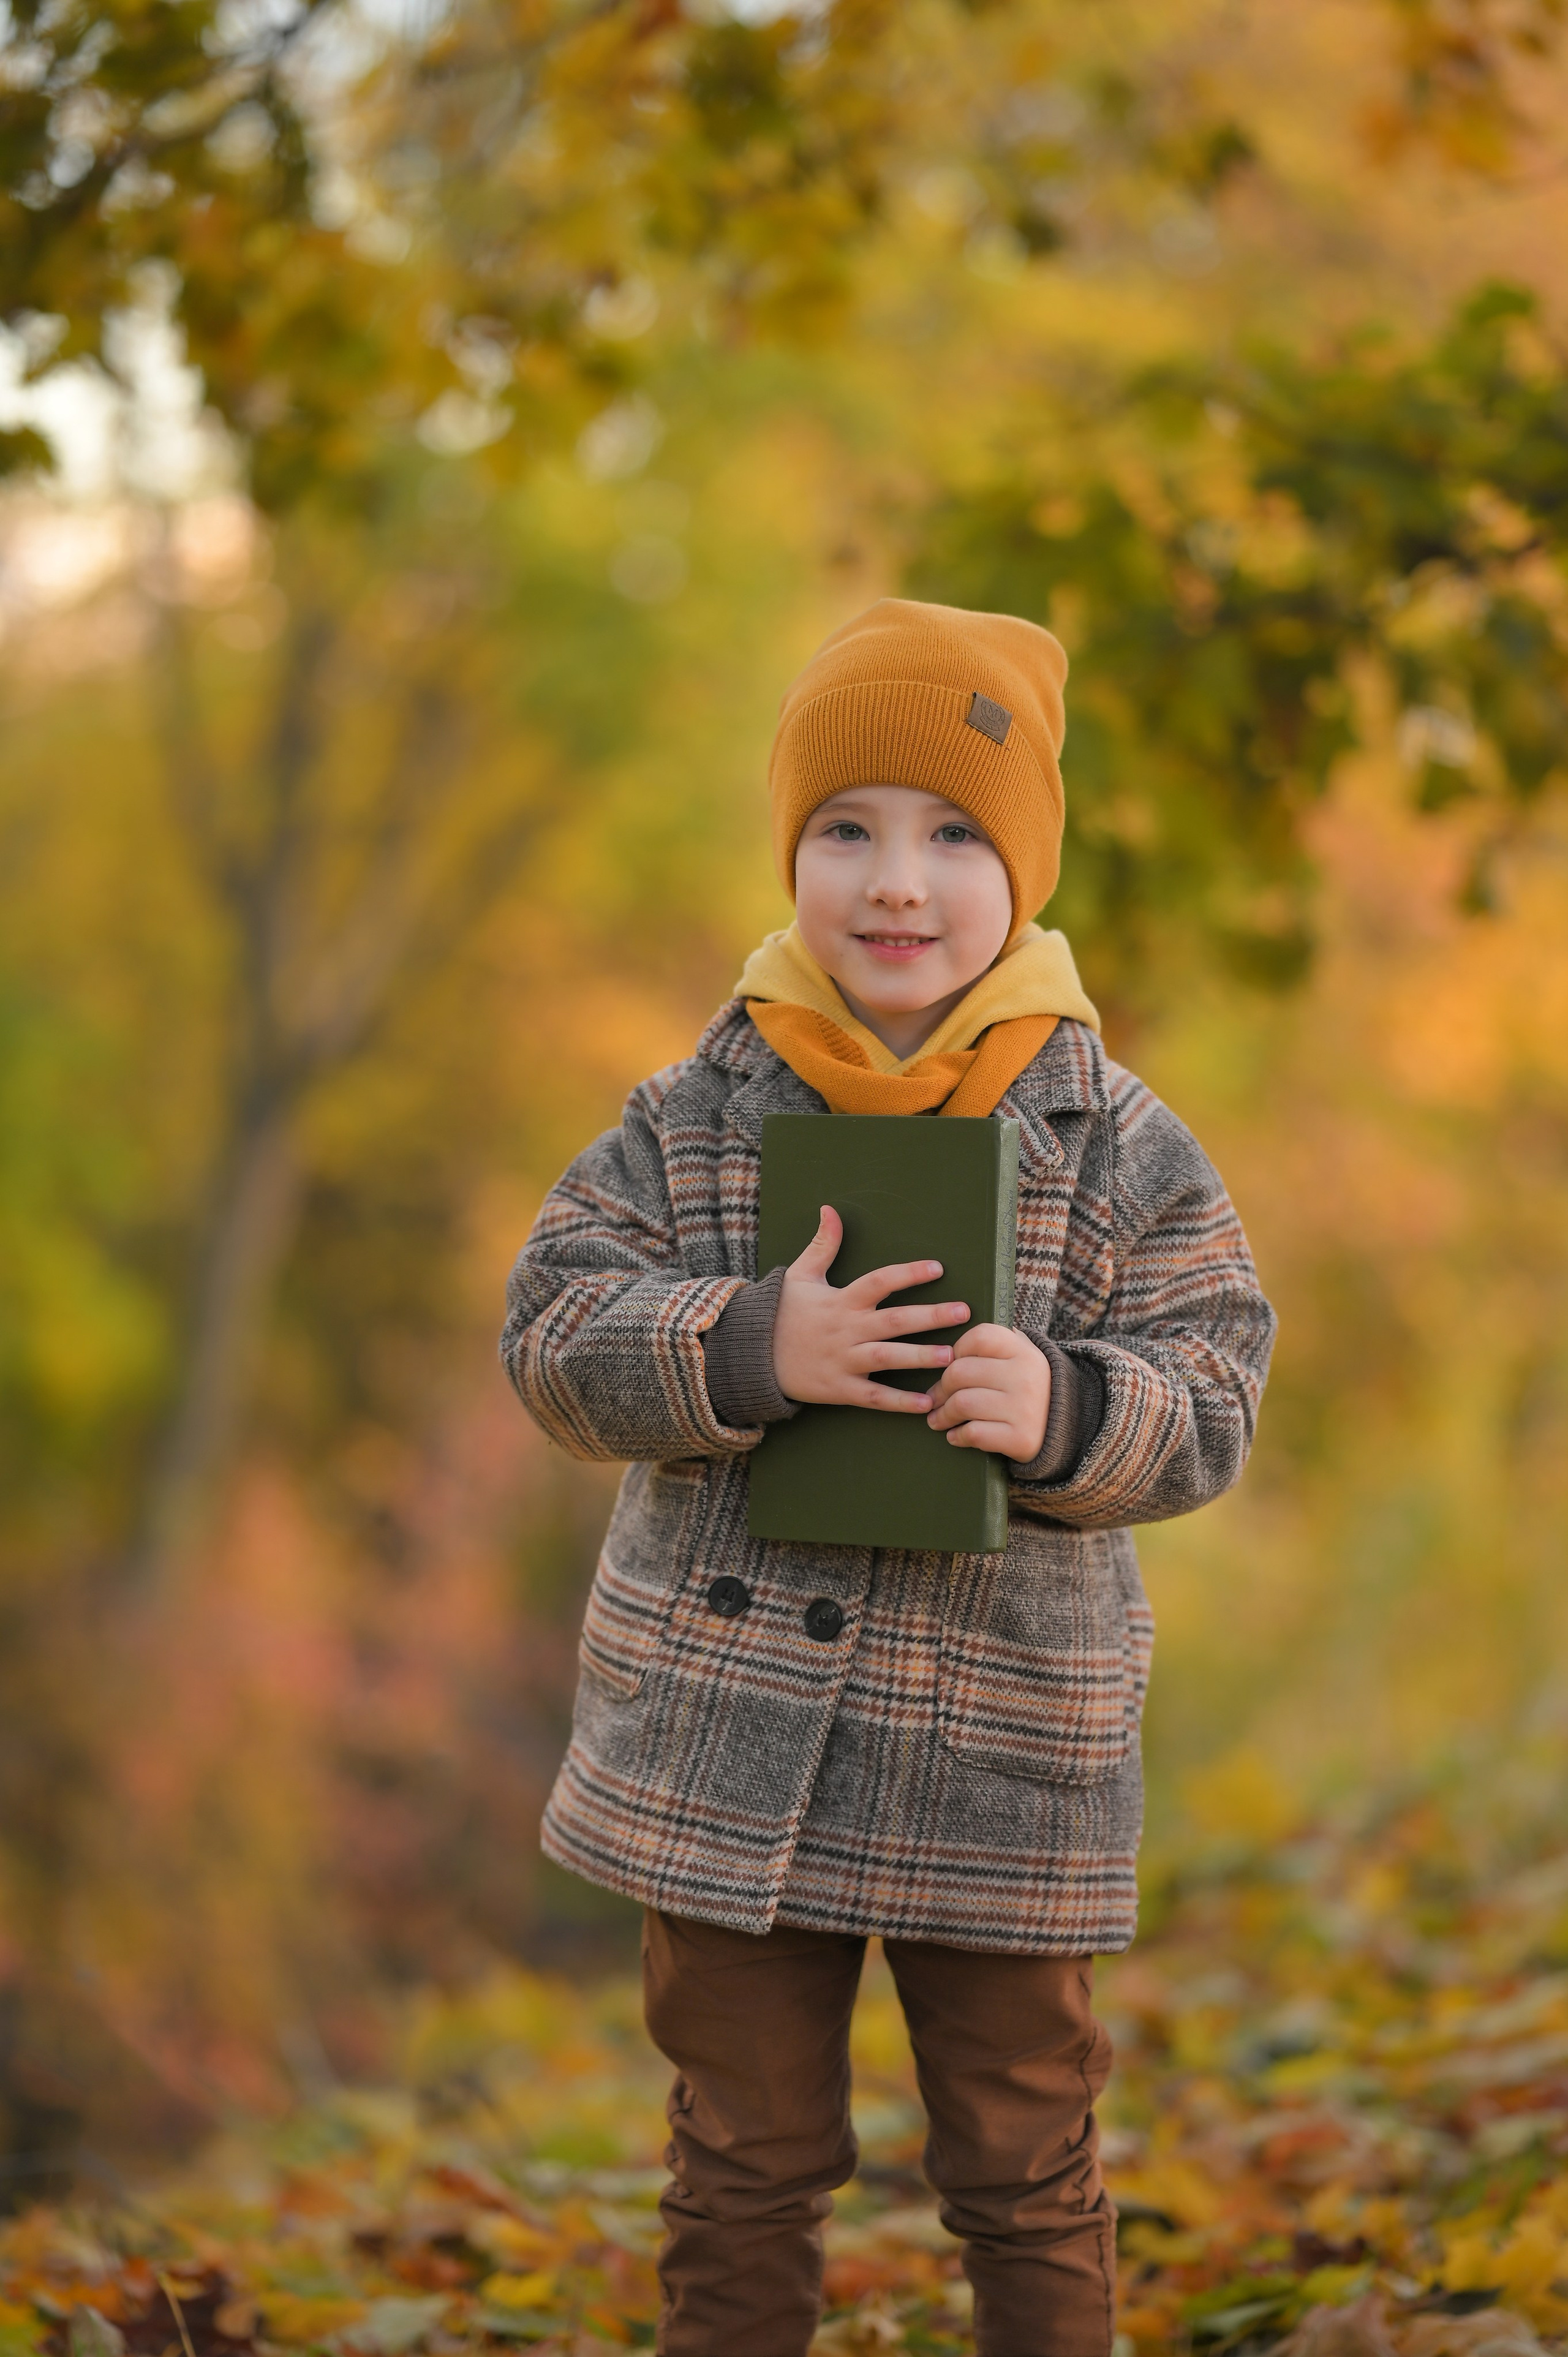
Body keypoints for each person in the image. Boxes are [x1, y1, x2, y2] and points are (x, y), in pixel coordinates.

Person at [500, 598, 1276, 2357]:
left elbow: (1217, 1379)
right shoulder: (690, 1113)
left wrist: (1070, 1406)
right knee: (742, 2158)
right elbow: (552, 1330)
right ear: (792, 858)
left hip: (1002, 1744)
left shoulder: (1119, 1138)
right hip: (726, 1736)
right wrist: (744, 1347)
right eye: (845, 831)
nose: (896, 883)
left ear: (1023, 871)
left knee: (1023, 2158)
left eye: (950, 837)